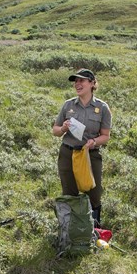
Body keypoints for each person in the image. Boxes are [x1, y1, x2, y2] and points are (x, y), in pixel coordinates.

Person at [52, 69, 112, 227]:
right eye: (75, 81)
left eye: (81, 81)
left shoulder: (102, 108)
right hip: (68, 153)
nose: (77, 84)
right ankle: (71, 228)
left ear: (92, 83)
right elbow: (55, 131)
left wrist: (93, 141)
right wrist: (63, 128)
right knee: (69, 191)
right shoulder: (68, 105)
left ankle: (94, 228)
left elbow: (105, 136)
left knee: (94, 192)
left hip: (90, 154)